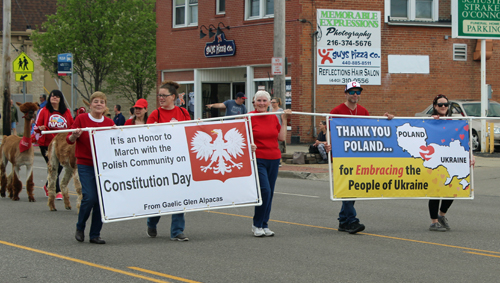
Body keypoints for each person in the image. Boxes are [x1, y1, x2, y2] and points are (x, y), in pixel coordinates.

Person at [330, 81, 393, 234]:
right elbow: (330, 130)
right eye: (352, 92)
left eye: (358, 92)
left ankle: (343, 220)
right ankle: (352, 220)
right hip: (341, 155)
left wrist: (388, 119)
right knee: (347, 187)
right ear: (346, 93)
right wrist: (328, 144)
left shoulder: (363, 111)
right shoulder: (337, 110)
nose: (355, 95)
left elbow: (369, 130)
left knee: (352, 187)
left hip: (358, 155)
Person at [68, 91, 115, 244]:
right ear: (90, 104)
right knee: (89, 197)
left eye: (102, 101)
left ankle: (95, 234)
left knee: (101, 201)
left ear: (105, 105)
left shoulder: (109, 123)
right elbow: (69, 139)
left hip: (103, 166)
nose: (99, 104)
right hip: (85, 163)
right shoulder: (81, 119)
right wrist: (75, 135)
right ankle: (80, 226)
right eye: (96, 101)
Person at [146, 81, 190, 241]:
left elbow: (188, 134)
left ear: (173, 97)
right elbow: (145, 137)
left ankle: (177, 231)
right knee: (160, 197)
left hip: (179, 160)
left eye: (164, 95)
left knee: (179, 196)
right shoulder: (155, 114)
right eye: (159, 95)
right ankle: (152, 221)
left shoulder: (183, 113)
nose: (161, 98)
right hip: (160, 163)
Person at [428, 94, 475, 232]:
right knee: (436, 191)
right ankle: (434, 222)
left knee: (453, 188)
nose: (443, 107)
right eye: (440, 104)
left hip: (451, 160)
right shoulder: (427, 120)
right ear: (435, 106)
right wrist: (431, 121)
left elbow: (465, 142)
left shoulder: (456, 123)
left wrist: (470, 155)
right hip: (435, 160)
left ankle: (441, 215)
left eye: (446, 105)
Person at [249, 90, 291, 237]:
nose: (261, 103)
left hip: (273, 158)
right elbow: (240, 136)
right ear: (254, 102)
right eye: (258, 100)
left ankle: (265, 224)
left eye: (264, 101)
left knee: (270, 192)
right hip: (258, 158)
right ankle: (257, 224)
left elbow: (281, 137)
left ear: (269, 103)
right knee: (264, 191)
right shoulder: (249, 117)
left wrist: (284, 120)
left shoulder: (273, 117)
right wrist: (250, 145)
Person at [35, 90, 74, 199]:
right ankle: (56, 190)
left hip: (62, 145)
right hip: (47, 144)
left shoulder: (66, 111)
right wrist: (40, 128)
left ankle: (48, 185)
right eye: (52, 96)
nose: (54, 98)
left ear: (60, 98)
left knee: (60, 166)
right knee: (52, 166)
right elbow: (36, 127)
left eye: (56, 96)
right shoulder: (44, 111)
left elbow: (71, 125)